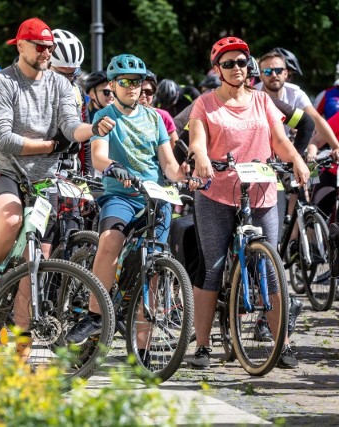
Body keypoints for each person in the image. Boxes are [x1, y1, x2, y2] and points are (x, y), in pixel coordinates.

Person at [0, 17, 114, 319]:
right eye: (40, 46)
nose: (46, 53)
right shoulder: (4, 82)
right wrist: (50, 146)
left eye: (49, 47)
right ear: (20, 45)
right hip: (4, 171)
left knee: (35, 266)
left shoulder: (62, 86)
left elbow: (70, 126)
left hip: (42, 179)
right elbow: (3, 140)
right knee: (10, 219)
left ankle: (23, 346)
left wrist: (92, 129)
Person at [188, 36, 309, 370]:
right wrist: (201, 158)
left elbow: (280, 139)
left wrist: (297, 161)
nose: (237, 68)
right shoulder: (205, 104)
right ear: (217, 69)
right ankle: (201, 346)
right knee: (212, 268)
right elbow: (197, 141)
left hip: (261, 191)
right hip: (217, 192)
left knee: (272, 268)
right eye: (228, 64)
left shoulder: (261, 101)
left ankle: (282, 341)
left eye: (242, 62)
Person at [65, 53, 194, 345]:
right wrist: (114, 167)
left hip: (155, 198)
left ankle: (144, 350)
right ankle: (95, 315)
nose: (132, 87)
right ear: (113, 84)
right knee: (111, 239)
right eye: (124, 81)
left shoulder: (155, 118)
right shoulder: (105, 117)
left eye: (138, 81)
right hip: (120, 194)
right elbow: (98, 157)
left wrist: (187, 177)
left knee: (156, 269)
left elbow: (169, 166)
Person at [255, 50, 339, 150]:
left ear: (286, 73)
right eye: (268, 71)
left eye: (278, 70)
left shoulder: (296, 93)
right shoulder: (252, 94)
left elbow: (316, 120)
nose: (273, 75)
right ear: (260, 76)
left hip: (283, 151)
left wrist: (336, 147)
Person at [49, 28, 92, 175]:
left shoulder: (77, 92)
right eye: (61, 74)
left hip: (71, 170)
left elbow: (86, 142)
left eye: (72, 73)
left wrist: (88, 173)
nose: (67, 79)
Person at [138, 69, 179, 147]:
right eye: (139, 91)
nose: (143, 96)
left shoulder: (163, 116)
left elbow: (175, 149)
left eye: (148, 92)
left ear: (154, 93)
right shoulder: (119, 115)